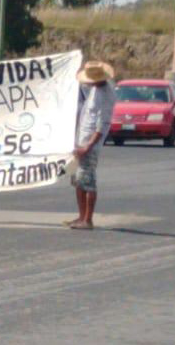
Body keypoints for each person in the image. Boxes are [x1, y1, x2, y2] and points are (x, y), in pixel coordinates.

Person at [66, 61, 116, 230]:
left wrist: (88, 146)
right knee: (79, 180)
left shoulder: (105, 95)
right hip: (82, 139)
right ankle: (81, 216)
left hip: (89, 144)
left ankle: (87, 219)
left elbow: (102, 125)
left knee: (88, 181)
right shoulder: (95, 90)